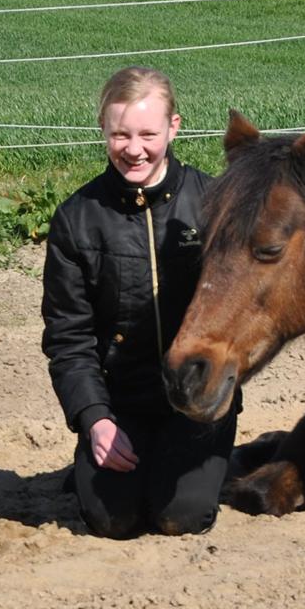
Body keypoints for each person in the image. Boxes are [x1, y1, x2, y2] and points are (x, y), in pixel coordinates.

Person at [41, 66, 238, 537]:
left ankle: (199, 459)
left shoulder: (216, 204)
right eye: (120, 134)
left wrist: (214, 395)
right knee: (113, 521)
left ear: (174, 127)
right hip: (119, 403)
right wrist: (95, 421)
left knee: (181, 517)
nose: (134, 149)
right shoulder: (75, 220)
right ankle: (97, 463)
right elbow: (69, 338)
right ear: (103, 131)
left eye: (148, 133)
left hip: (196, 400)